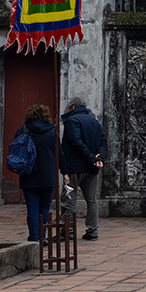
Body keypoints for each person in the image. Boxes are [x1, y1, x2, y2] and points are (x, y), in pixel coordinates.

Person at [60, 97, 105, 241]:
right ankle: (93, 230)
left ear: (72, 107)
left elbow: (76, 142)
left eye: (67, 108)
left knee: (69, 199)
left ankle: (68, 231)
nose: (65, 110)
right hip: (91, 168)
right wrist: (99, 159)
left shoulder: (72, 121)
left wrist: (92, 158)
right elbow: (104, 142)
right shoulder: (94, 121)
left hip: (74, 167)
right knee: (92, 200)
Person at [16, 104, 59, 242]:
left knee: (32, 208)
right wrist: (65, 172)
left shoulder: (22, 131)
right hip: (47, 176)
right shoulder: (52, 132)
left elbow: (15, 152)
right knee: (45, 207)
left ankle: (34, 237)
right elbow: (60, 155)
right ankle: (43, 236)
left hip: (28, 175)